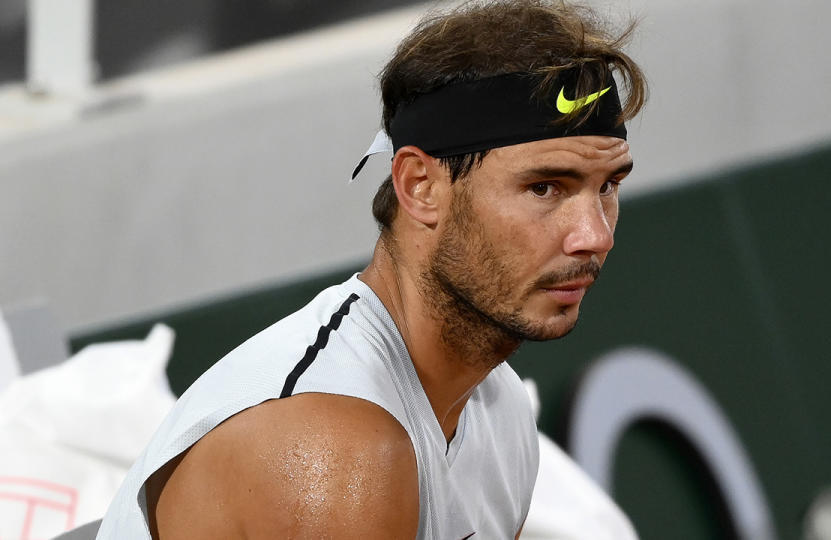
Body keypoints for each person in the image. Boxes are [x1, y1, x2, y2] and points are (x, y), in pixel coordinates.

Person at [96, 1, 646, 538]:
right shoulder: (335, 450)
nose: (595, 235)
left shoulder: (497, 407)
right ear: (420, 187)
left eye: (609, 187)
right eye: (544, 187)